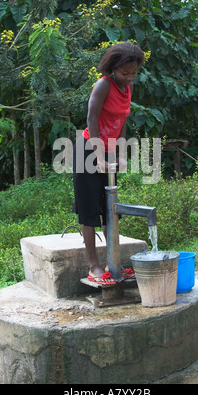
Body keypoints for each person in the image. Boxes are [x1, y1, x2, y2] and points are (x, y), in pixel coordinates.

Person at [73, 41, 145, 285]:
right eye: (125, 73)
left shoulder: (128, 87)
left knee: (110, 208)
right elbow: (92, 118)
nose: (130, 77)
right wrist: (99, 155)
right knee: (89, 210)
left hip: (110, 151)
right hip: (88, 150)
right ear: (113, 68)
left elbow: (122, 121)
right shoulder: (104, 84)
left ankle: (113, 262)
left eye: (134, 72)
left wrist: (120, 153)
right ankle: (93, 265)